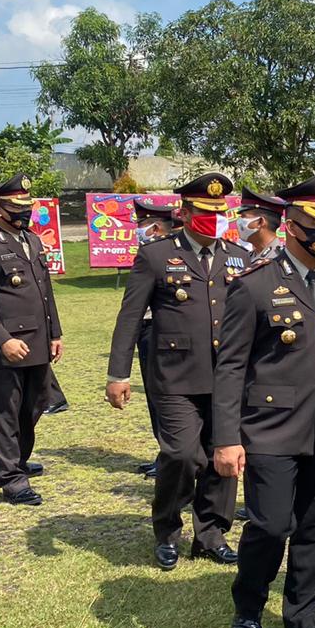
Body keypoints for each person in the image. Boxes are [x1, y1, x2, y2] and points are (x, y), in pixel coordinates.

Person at [214, 173, 315, 628]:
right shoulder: (254, 287)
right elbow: (231, 367)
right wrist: (226, 439)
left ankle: (303, 618)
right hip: (271, 428)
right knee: (272, 525)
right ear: (291, 226)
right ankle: (249, 609)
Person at [106, 173, 245, 570]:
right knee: (182, 455)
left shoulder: (239, 256)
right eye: (205, 212)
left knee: (224, 456)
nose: (214, 219)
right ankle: (167, 529)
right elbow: (130, 318)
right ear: (184, 213)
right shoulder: (155, 255)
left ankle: (212, 533)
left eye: (220, 212)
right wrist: (118, 374)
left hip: (227, 379)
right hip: (175, 377)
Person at [0, 173, 63, 506]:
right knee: (4, 412)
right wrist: (2, 339)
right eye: (16, 206)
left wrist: (54, 333)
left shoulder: (31, 241)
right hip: (5, 348)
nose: (24, 212)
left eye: (27, 206)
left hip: (36, 343)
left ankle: (16, 461)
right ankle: (10, 478)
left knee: (32, 407)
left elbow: (45, 293)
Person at [130, 196, 178, 478]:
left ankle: (171, 455)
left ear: (158, 228)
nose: (139, 229)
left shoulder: (167, 254)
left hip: (161, 331)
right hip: (147, 330)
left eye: (144, 224)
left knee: (165, 398)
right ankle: (165, 452)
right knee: (154, 397)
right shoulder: (148, 251)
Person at [236, 187, 286, 263]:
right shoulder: (248, 257)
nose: (239, 221)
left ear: (260, 222)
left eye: (243, 216)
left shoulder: (279, 259)